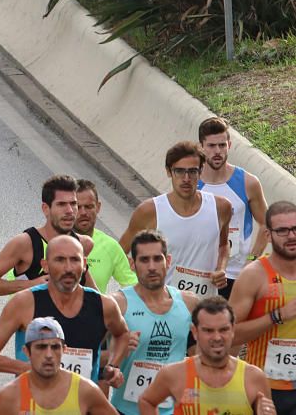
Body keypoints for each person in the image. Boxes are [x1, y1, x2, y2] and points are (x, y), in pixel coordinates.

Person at [0, 235, 130, 387]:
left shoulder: (104, 305)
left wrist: (113, 365)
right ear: (45, 265)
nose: (68, 268)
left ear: (84, 264)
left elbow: (122, 334)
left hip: (80, 404)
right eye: (60, 260)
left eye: (74, 260)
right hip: (34, 404)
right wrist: (30, 369)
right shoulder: (24, 303)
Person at [120, 141, 232, 299]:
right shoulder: (150, 211)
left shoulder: (221, 207)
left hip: (204, 309)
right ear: (168, 172)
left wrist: (221, 268)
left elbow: (223, 245)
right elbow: (119, 253)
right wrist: (142, 284)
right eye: (179, 171)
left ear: (201, 171)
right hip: (163, 308)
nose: (186, 179)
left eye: (192, 172)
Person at [109, 230, 197, 415]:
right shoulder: (117, 304)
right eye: (144, 260)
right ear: (132, 264)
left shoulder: (189, 303)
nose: (152, 267)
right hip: (127, 409)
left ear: (168, 261)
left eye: (158, 259)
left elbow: (201, 357)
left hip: (175, 410)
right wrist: (116, 355)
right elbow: (92, 357)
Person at [139, 297, 276, 415]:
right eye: (208, 330)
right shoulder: (174, 374)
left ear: (233, 330)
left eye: (223, 329)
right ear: (195, 332)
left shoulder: (253, 378)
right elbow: (147, 401)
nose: (217, 337)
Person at [229, 201, 296, 413]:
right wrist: (276, 316)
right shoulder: (254, 276)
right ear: (267, 234)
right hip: (266, 388)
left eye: (295, 229)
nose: (292, 236)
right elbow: (229, 334)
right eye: (283, 231)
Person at [0, 175, 95, 296]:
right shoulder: (25, 243)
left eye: (73, 204)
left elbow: (95, 296)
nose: (70, 210)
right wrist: (31, 285)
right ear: (46, 209)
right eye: (61, 204)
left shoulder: (83, 244)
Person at [198, 116, 269, 299]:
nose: (217, 151)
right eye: (212, 146)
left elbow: (266, 224)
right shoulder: (190, 183)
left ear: (229, 145)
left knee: (234, 327)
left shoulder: (248, 182)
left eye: (222, 145)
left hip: (236, 275)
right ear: (201, 147)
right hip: (198, 273)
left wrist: (251, 262)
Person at [0, 316, 117, 414]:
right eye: (41, 347)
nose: (49, 355)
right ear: (27, 352)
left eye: (55, 347)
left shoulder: (85, 390)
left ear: (64, 350)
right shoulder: (8, 397)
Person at [75, 178, 136, 292]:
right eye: (78, 207)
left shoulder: (110, 246)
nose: (83, 212)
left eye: (88, 207)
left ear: (98, 207)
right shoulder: (52, 242)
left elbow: (135, 289)